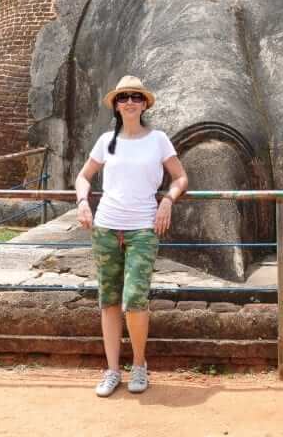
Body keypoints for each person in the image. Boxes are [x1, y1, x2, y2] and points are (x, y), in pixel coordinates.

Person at [74, 75, 188, 397]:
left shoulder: (158, 140)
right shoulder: (106, 141)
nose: (129, 102)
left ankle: (139, 364)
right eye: (123, 97)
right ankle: (112, 370)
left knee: (135, 300)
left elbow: (180, 177)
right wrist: (83, 202)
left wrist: (167, 199)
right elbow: (84, 176)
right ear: (115, 104)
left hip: (142, 229)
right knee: (108, 301)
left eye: (135, 97)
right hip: (107, 227)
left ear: (144, 103)